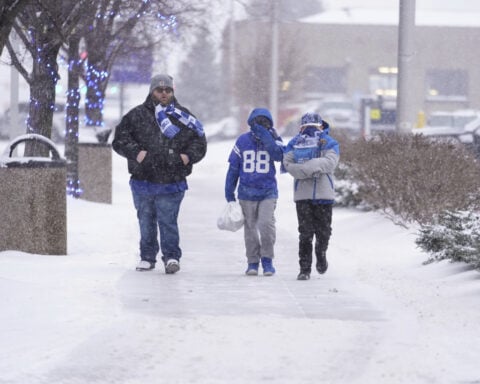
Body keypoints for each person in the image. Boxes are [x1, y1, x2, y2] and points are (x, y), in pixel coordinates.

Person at [112, 74, 207, 274]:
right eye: (159, 90)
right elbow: (119, 140)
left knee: (168, 221)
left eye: (168, 90)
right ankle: (147, 257)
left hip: (172, 181)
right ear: (152, 91)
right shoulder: (136, 116)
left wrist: (186, 157)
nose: (164, 94)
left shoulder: (184, 116)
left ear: (172, 91)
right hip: (142, 180)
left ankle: (171, 257)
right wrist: (137, 154)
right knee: (145, 221)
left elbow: (199, 141)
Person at [224, 108, 284, 276]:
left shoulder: (274, 138)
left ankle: (267, 260)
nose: (261, 125)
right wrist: (229, 191)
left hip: (268, 191)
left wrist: (267, 137)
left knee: (266, 225)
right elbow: (234, 167)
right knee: (250, 229)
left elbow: (279, 156)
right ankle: (252, 261)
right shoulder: (243, 140)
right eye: (258, 122)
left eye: (265, 122)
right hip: (246, 192)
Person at [282, 112, 339, 280]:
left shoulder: (329, 142)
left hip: (324, 194)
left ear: (321, 127)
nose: (309, 130)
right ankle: (304, 269)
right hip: (303, 195)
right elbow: (287, 163)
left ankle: (321, 255)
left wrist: (310, 166)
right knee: (305, 233)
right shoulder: (294, 143)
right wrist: (305, 171)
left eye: (313, 127)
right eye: (306, 127)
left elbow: (331, 162)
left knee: (324, 232)